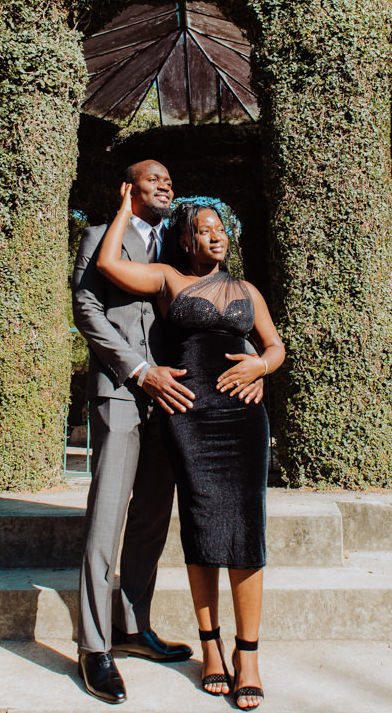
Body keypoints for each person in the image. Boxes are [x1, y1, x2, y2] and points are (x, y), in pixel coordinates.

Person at [97, 188, 285, 710]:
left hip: (242, 417)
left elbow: (275, 345)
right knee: (201, 526)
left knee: (246, 527)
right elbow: (109, 263)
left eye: (220, 227)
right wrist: (126, 209)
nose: (217, 234)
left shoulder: (248, 289)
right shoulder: (168, 279)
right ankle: (212, 649)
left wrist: (260, 367)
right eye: (205, 228)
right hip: (188, 417)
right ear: (186, 239)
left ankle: (248, 655)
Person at [72, 160, 195, 705]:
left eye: (170, 179)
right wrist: (138, 369)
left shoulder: (181, 245)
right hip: (122, 393)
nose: (166, 184)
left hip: (171, 400)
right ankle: (94, 647)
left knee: (151, 519)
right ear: (129, 188)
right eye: (153, 178)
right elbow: (86, 308)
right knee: (107, 518)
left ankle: (131, 626)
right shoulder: (101, 237)